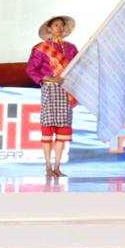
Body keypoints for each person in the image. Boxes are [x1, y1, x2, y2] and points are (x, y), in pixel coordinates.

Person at [24, 15, 78, 178]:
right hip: (50, 89)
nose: (59, 28)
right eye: (56, 25)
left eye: (62, 25)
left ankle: (57, 166)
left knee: (62, 129)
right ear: (49, 28)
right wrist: (49, 78)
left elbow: (78, 67)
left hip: (66, 90)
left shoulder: (71, 48)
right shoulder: (41, 48)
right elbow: (31, 70)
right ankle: (48, 166)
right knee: (48, 129)